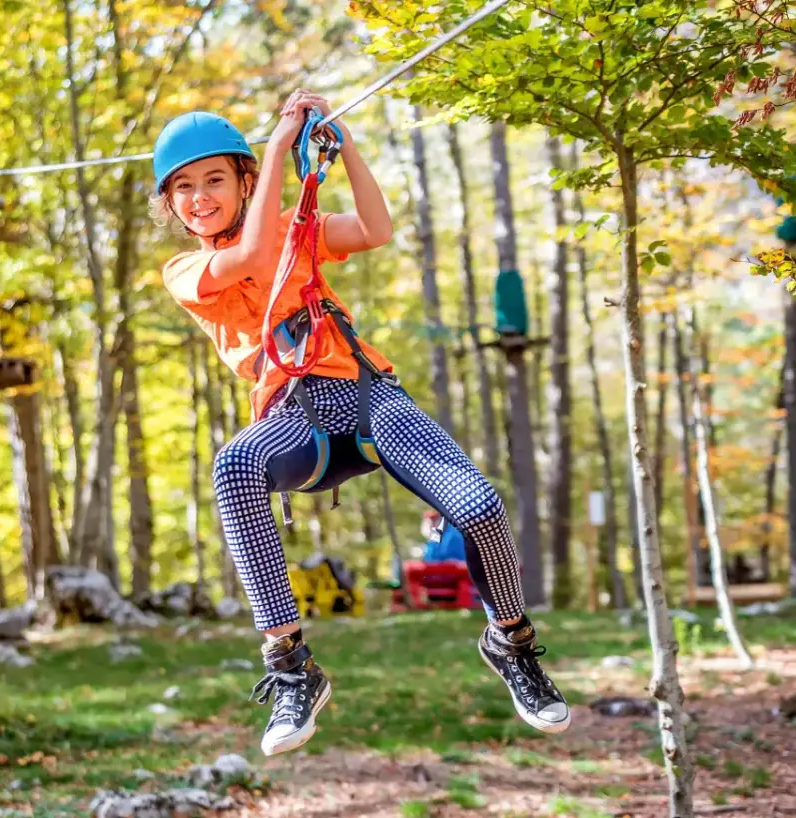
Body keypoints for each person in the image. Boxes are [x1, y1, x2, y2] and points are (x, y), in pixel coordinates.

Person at [150, 91, 571, 757]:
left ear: (243, 183)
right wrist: (280, 141)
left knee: (479, 506)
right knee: (233, 466)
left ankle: (510, 642)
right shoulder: (185, 269)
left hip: (371, 396)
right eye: (184, 188)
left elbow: (376, 229)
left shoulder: (296, 226)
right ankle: (291, 666)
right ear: (171, 204)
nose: (200, 197)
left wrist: (345, 149)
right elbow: (255, 255)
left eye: (214, 180)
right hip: (297, 419)